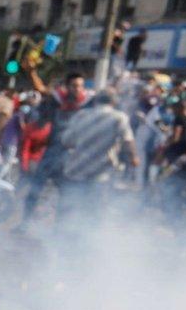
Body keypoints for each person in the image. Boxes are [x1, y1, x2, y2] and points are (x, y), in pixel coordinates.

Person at [22, 67, 134, 229]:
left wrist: (118, 81)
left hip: (75, 156)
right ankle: (25, 222)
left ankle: (63, 228)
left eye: (80, 86)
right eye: (74, 86)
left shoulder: (88, 102)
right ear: (67, 86)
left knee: (68, 194)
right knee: (36, 188)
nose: (77, 89)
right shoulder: (57, 99)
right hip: (53, 151)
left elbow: (107, 96)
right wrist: (32, 72)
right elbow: (42, 90)